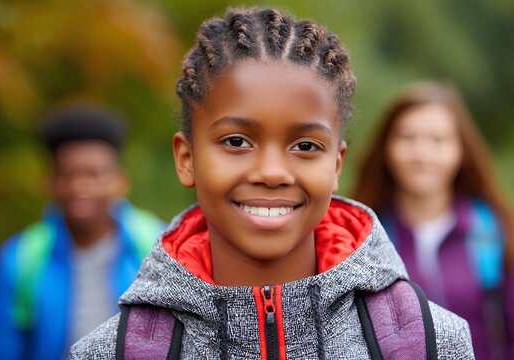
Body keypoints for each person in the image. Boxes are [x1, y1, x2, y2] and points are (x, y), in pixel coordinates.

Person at [69, 8, 474, 359]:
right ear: (187, 158)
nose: (272, 172)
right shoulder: (110, 352)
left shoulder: (431, 344)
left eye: (304, 145)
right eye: (237, 141)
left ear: (337, 165)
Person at [0, 104, 166, 360]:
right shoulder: (21, 259)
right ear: (50, 182)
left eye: (94, 174)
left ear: (119, 181)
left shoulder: (159, 246)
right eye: (68, 174)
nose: (80, 186)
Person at [352, 82, 514, 360]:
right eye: (407, 137)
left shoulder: (494, 231)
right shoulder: (360, 238)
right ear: (386, 147)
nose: (422, 154)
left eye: (438, 140)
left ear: (461, 150)